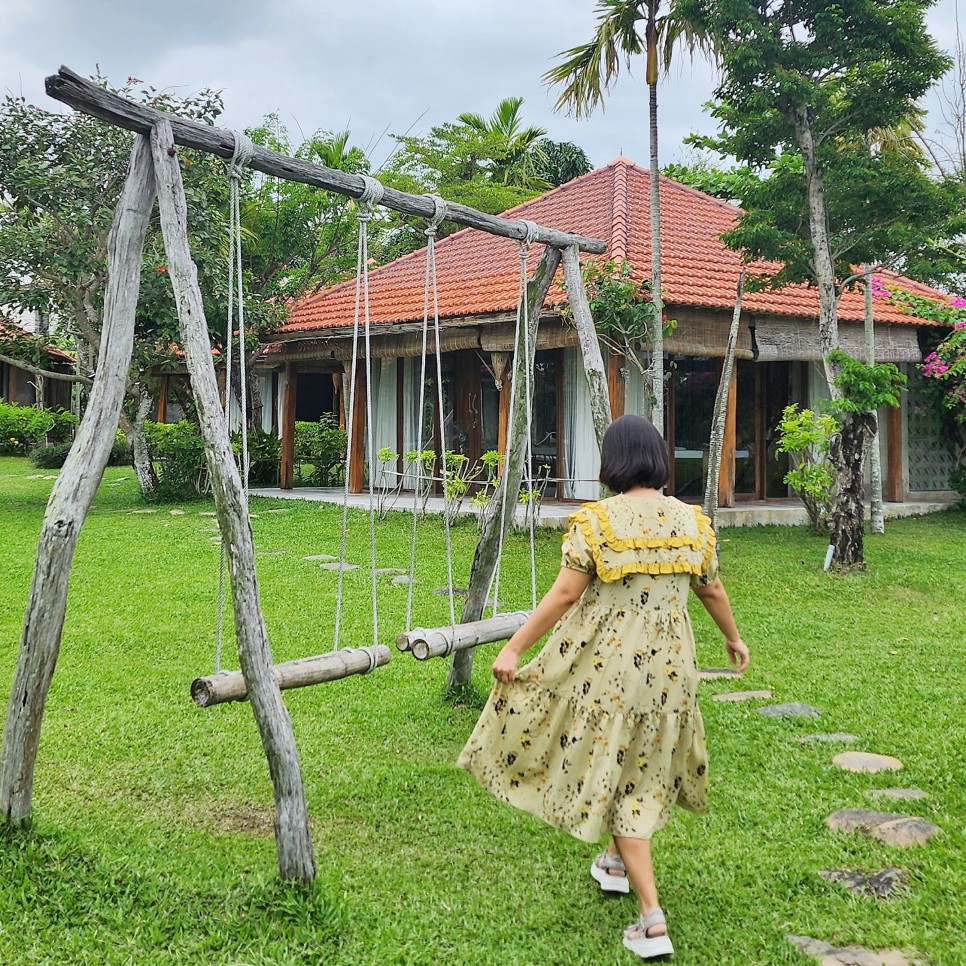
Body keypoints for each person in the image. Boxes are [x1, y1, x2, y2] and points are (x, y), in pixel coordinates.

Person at [458, 414, 748, 960]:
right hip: (672, 671)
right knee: (635, 759)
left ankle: (652, 918)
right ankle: (615, 864)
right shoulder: (691, 522)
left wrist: (516, 647)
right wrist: (733, 640)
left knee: (622, 775)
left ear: (612, 461)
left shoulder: (598, 523)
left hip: (608, 668)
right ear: (659, 459)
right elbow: (712, 591)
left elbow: (566, 596)